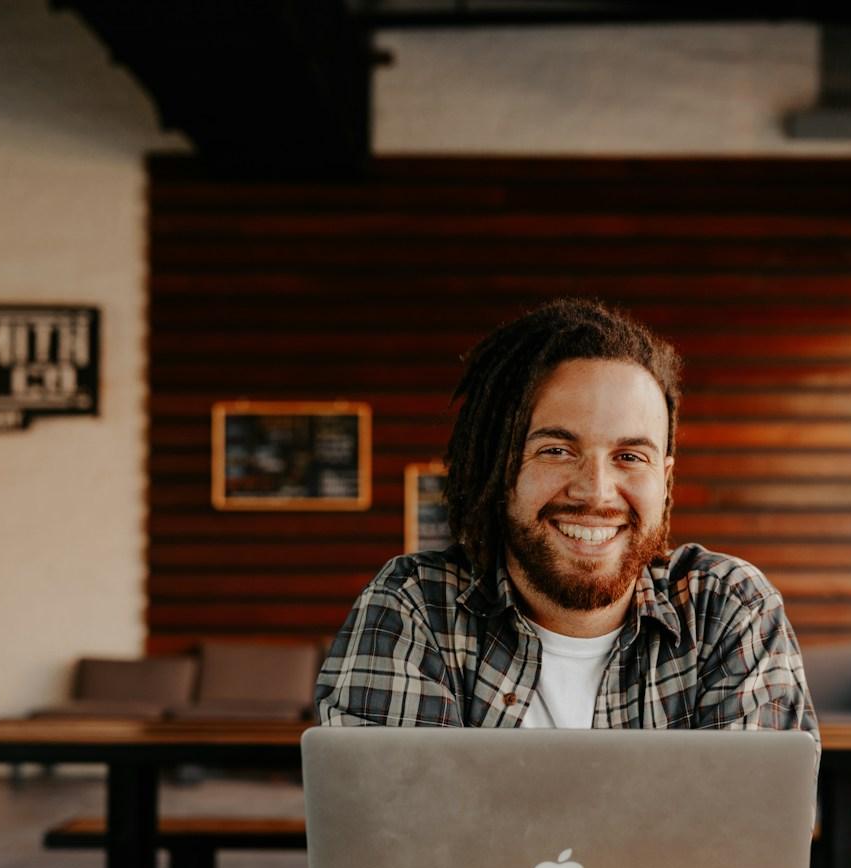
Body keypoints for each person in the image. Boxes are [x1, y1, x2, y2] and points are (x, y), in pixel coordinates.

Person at [315, 298, 816, 740]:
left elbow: (745, 842)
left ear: (665, 479)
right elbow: (395, 839)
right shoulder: (414, 609)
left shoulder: (727, 610)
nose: (595, 491)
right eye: (556, 449)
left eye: (630, 456)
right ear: (498, 463)